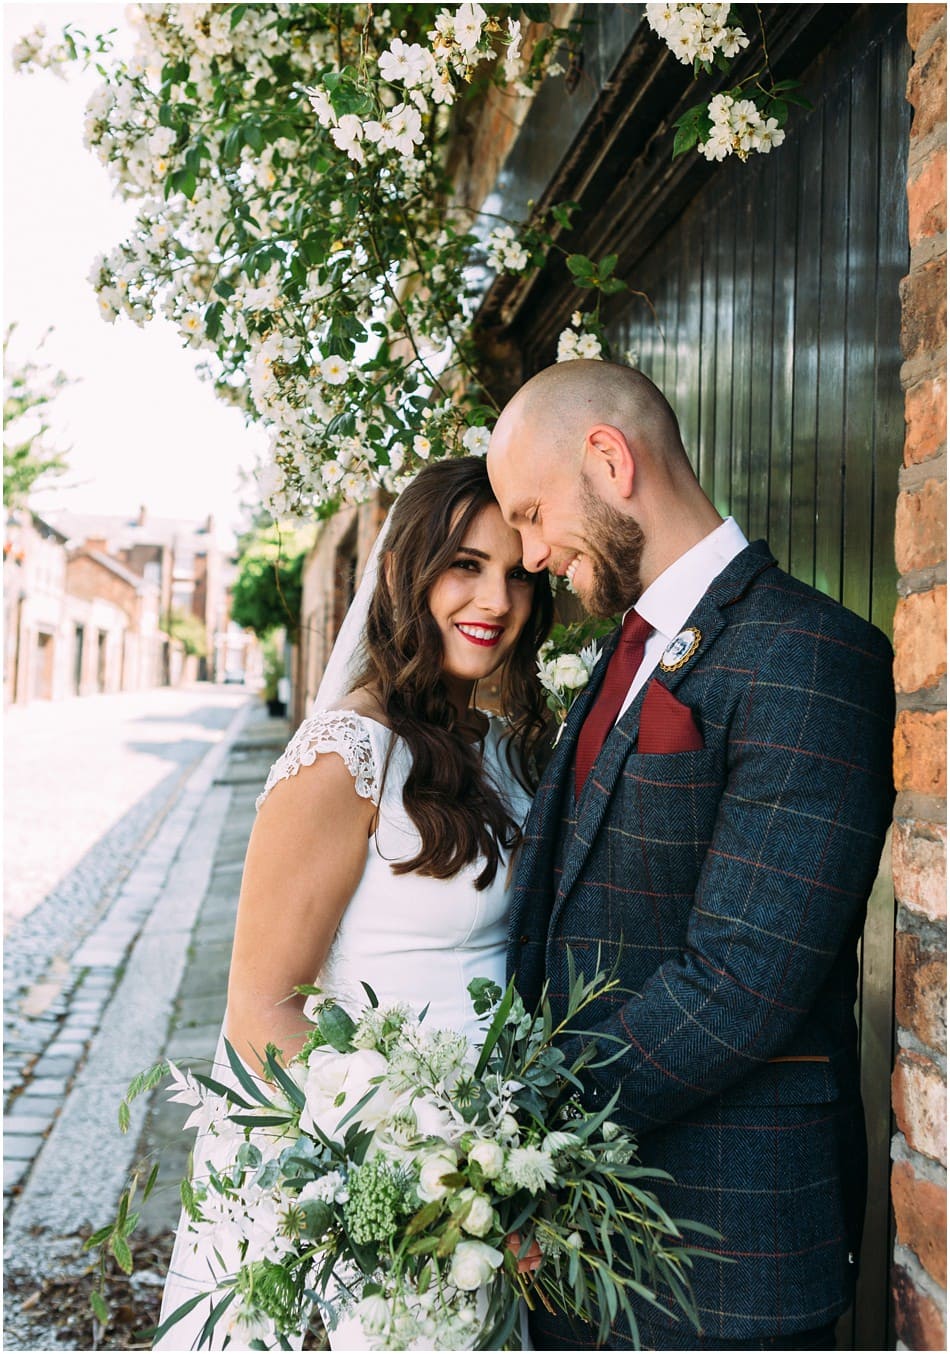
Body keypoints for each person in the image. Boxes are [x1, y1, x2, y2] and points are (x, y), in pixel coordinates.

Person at [486, 359, 895, 1352]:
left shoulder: (807, 652)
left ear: (608, 459)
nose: (530, 554)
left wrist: (512, 1121)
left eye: (533, 514)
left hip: (719, 1261)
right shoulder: (622, 656)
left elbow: (739, 978)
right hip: (586, 1243)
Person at [156, 455, 553, 1351]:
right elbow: (264, 1009)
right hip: (379, 1187)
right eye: (465, 565)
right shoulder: (347, 753)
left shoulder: (502, 748)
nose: (496, 598)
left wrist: (493, 1176)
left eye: (519, 573)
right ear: (408, 571)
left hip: (486, 1188)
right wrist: (405, 1176)